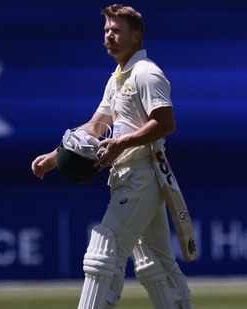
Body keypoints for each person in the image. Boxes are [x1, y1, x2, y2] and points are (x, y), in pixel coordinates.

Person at [31, 4, 192, 309]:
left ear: (136, 36)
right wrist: (56, 155)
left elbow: (166, 123)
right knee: (154, 263)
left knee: (103, 248)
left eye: (117, 31)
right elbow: (95, 126)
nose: (109, 36)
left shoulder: (146, 74)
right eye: (106, 30)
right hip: (126, 176)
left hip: (142, 174)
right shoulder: (117, 78)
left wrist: (123, 143)